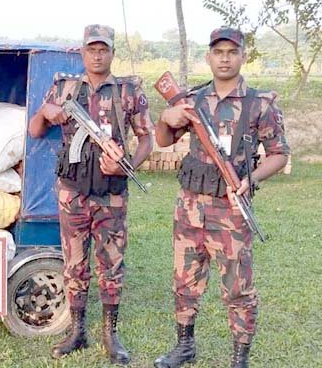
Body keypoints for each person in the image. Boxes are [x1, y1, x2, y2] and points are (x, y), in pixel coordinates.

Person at [153, 27, 289, 368]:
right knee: (185, 282)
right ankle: (184, 347)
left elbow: (279, 153)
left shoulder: (259, 104)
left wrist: (250, 179)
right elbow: (164, 140)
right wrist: (166, 117)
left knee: (238, 289)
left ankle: (239, 358)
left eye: (232, 52)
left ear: (243, 56)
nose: (225, 58)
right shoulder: (193, 100)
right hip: (189, 208)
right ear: (209, 57)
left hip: (231, 210)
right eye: (218, 52)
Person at [29, 24, 154, 365]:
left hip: (111, 195)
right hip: (72, 193)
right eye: (92, 49)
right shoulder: (64, 88)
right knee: (74, 266)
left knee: (111, 266)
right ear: (82, 52)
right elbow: (35, 130)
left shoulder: (128, 92)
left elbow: (147, 139)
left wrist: (126, 165)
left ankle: (110, 335)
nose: (97, 56)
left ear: (112, 53)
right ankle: (77, 331)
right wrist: (46, 112)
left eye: (103, 50)